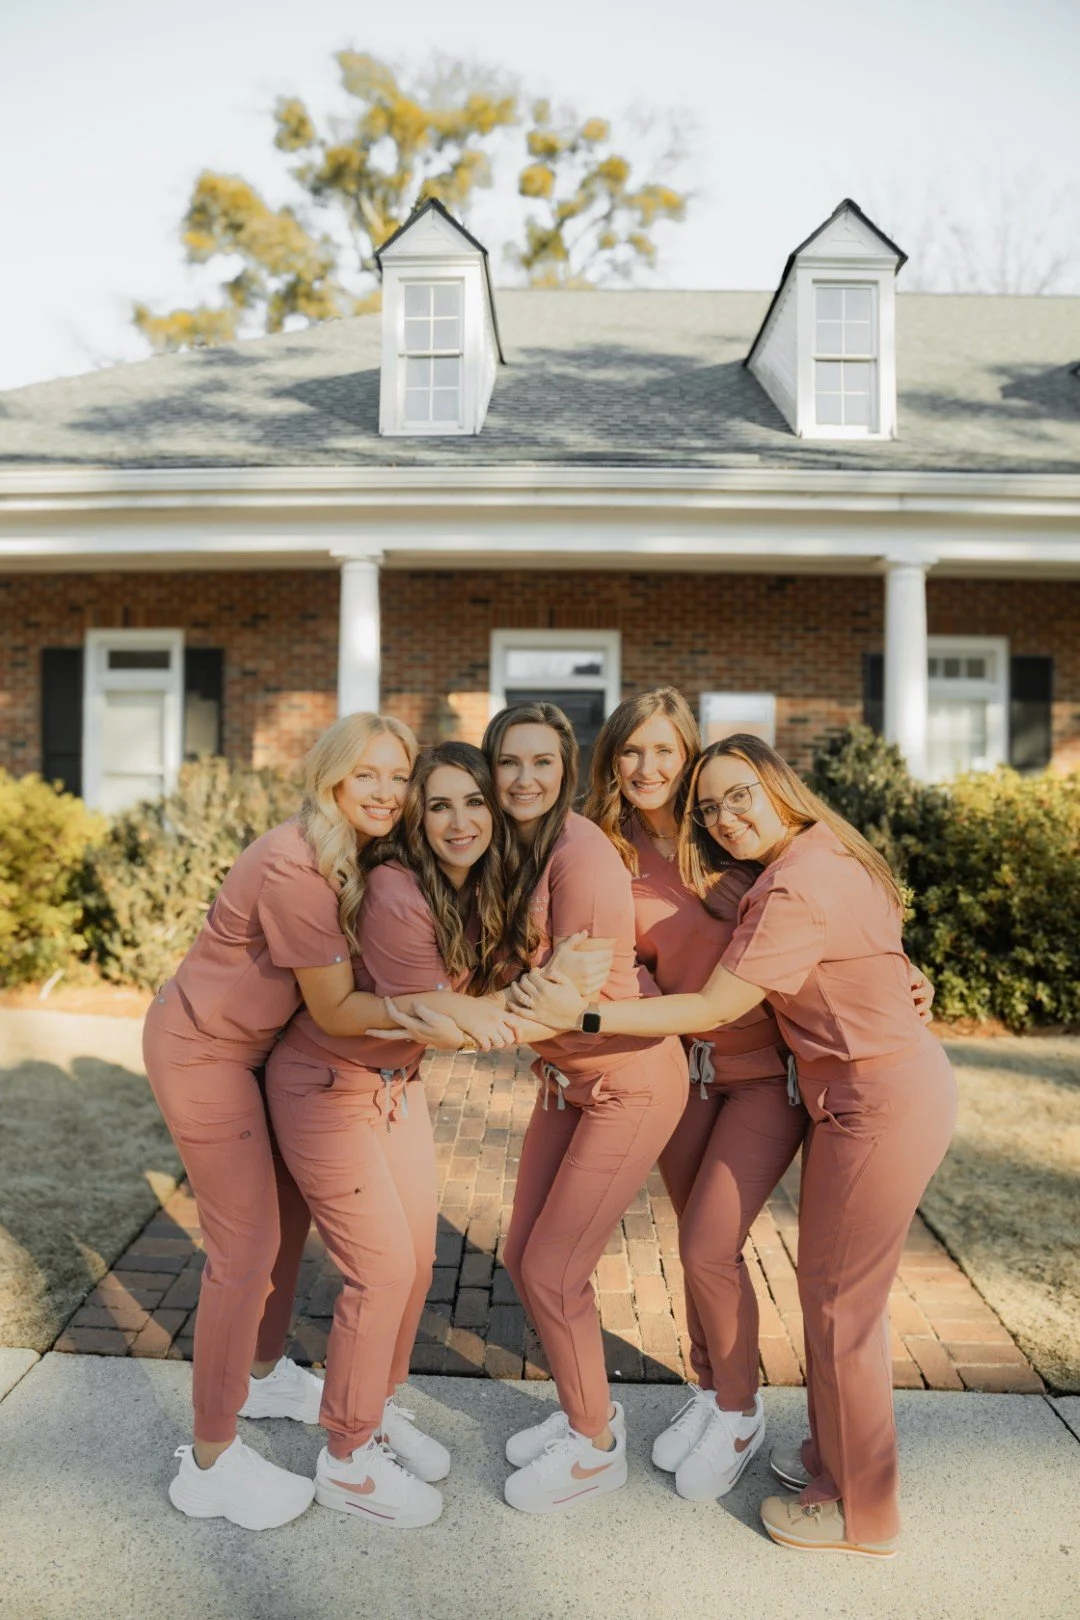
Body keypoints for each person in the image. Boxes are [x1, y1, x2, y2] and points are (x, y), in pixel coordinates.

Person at [510, 733, 956, 1557]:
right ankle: (832, 1457)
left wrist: (581, 1018)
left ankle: (862, 1512)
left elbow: (713, 1005)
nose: (724, 818)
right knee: (825, 1294)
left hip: (875, 1098)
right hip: (859, 1092)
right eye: (711, 807)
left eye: (738, 795)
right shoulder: (817, 854)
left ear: (778, 785)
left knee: (838, 1308)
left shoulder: (799, 883)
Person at [266, 741, 611, 1529]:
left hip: (394, 1086)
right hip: (326, 1088)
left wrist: (527, 990)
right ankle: (347, 1459)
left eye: (475, 803)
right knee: (380, 1272)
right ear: (416, 821)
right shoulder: (395, 891)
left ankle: (375, 1411)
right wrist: (548, 996)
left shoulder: (474, 886)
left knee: (417, 1265)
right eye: (439, 805)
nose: (461, 822)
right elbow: (443, 1020)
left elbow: (476, 1000)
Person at [144, 711, 420, 1530]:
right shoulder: (298, 869)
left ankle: (263, 1376)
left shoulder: (350, 852)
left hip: (257, 1052)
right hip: (204, 1053)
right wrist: (455, 1013)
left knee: (287, 1222)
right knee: (245, 1250)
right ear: (332, 775)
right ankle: (209, 1460)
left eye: (399, 777)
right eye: (368, 774)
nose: (388, 792)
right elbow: (337, 1011)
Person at [583, 690, 807, 1500]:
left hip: (765, 1079)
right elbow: (593, 954)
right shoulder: (603, 850)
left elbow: (835, 914)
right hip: (687, 1071)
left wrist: (906, 973)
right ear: (611, 760)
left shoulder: (732, 836)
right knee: (695, 1244)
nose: (647, 768)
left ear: (689, 756)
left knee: (712, 1242)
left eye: (664, 751)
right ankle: (712, 1391)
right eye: (631, 752)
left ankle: (741, 1413)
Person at [478, 702, 689, 1514]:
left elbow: (559, 1003)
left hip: (629, 1081)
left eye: (542, 762)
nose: (524, 778)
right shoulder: (513, 847)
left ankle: (596, 1446)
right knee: (525, 1254)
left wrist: (439, 1021)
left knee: (551, 1268)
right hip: (568, 1081)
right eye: (509, 762)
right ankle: (585, 1414)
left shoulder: (583, 855)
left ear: (567, 768)